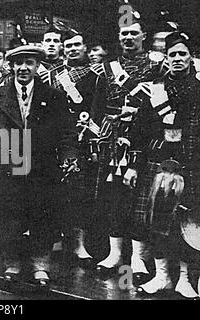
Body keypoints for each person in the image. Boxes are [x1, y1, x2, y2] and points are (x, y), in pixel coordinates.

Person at [0, 43, 78, 287]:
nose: (23, 68)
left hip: (42, 165)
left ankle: (41, 264)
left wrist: (68, 156)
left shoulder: (53, 96)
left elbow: (67, 132)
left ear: (37, 66)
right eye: (18, 63)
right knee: (9, 216)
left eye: (29, 63)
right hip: (7, 164)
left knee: (42, 215)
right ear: (11, 66)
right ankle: (13, 262)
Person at [128, 32, 200, 299]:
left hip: (193, 163)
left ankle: (184, 279)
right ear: (167, 59)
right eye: (173, 55)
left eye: (183, 53)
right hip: (158, 163)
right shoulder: (155, 88)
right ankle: (162, 277)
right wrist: (134, 165)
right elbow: (140, 129)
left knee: (188, 224)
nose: (178, 59)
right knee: (156, 221)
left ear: (190, 57)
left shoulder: (199, 88)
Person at [91, 15, 163, 285]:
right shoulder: (108, 69)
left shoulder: (157, 66)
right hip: (112, 139)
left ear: (144, 36)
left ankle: (137, 260)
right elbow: (98, 108)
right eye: (124, 35)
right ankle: (115, 254)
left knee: (140, 200)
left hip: (144, 137)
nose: (128, 38)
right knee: (114, 197)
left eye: (134, 33)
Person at [49, 29, 100, 266]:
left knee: (79, 193)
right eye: (67, 45)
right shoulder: (53, 74)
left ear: (85, 48)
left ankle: (79, 245)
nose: (72, 49)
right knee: (54, 190)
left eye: (76, 45)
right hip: (56, 138)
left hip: (83, 138)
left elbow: (99, 107)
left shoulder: (96, 75)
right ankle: (56, 239)